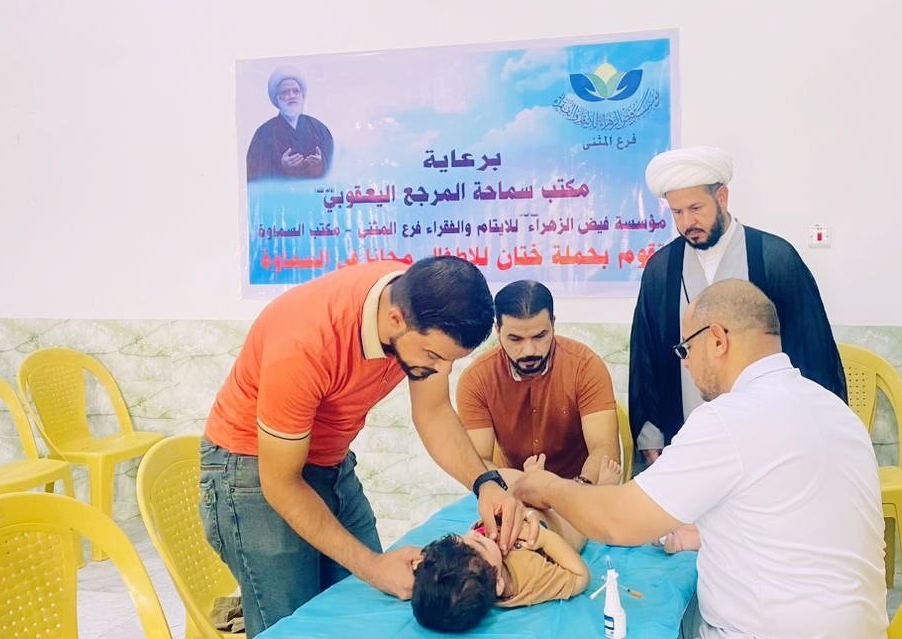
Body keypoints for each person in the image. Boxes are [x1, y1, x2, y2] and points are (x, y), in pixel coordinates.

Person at [516, 280, 887, 639]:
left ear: (717, 339)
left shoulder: (730, 418)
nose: (687, 364)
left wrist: (546, 487)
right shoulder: (836, 411)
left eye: (686, 349)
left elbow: (618, 522)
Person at [200, 256, 526, 636]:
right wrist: (372, 566)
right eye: (434, 357)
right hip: (253, 467)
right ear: (395, 320)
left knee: (365, 606)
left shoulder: (418, 300)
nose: (440, 370)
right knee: (296, 625)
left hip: (330, 461)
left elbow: (434, 411)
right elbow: (281, 483)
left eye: (450, 361)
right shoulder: (305, 343)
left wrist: (485, 483)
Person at [630, 146, 847, 464]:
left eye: (696, 208)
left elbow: (812, 351)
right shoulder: (661, 269)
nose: (687, 222)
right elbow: (646, 357)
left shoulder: (773, 258)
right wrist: (651, 437)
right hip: (689, 437)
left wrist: (815, 433)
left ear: (722, 197)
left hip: (772, 438)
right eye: (677, 212)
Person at [410, 457, 623, 633]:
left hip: (526, 511)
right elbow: (581, 577)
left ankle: (533, 481)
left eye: (465, 538)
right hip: (558, 526)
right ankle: (602, 487)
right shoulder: (529, 575)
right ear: (499, 584)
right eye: (479, 543)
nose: (474, 534)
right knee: (583, 515)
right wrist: (545, 539)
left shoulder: (476, 565)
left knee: (507, 488)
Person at [456, 280, 621, 482]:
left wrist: (575, 489)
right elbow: (478, 463)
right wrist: (528, 487)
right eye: (515, 339)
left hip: (579, 487)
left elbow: (604, 450)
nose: (529, 350)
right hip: (511, 488)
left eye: (540, 336)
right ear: (498, 330)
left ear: (553, 324)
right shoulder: (477, 379)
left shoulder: (585, 366)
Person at [246, 66, 334, 181]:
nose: (292, 96)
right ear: (277, 99)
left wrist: (320, 166)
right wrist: (281, 168)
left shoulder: (320, 130)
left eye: (296, 91)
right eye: (285, 92)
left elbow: (333, 169)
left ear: (302, 96)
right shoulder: (263, 134)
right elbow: (253, 176)